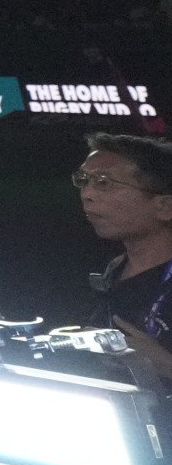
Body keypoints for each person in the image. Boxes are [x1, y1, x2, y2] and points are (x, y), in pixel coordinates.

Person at [74, 133, 172, 392]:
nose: (87, 195)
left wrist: (165, 364)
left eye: (104, 183)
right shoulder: (113, 272)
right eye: (84, 180)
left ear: (164, 206)